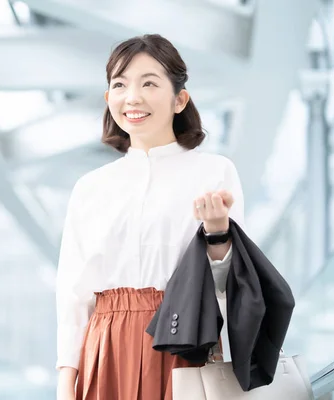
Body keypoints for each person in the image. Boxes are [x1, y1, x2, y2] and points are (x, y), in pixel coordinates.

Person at [55, 34, 245, 400]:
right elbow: (73, 294)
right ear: (109, 98)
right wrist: (66, 382)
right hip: (104, 348)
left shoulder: (214, 172)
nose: (133, 97)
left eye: (149, 83)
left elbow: (234, 288)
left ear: (179, 99)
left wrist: (218, 233)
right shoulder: (90, 188)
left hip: (184, 341)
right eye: (120, 85)